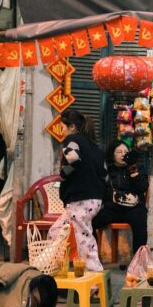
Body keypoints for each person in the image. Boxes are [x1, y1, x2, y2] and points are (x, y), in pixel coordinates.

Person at [47, 109, 106, 271]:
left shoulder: (72, 139)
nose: (63, 131)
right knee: (56, 232)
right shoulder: (94, 146)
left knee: (84, 239)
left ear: (72, 127)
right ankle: (56, 270)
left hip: (80, 200)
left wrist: (63, 174)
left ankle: (95, 279)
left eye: (63, 127)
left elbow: (72, 157)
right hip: (92, 199)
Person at [92, 140, 149, 256]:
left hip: (134, 209)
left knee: (140, 221)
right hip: (113, 209)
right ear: (112, 154)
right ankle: (92, 257)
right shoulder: (107, 170)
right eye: (119, 152)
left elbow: (142, 187)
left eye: (126, 151)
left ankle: (138, 260)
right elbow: (100, 190)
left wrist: (133, 170)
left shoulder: (137, 168)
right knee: (89, 222)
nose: (123, 154)